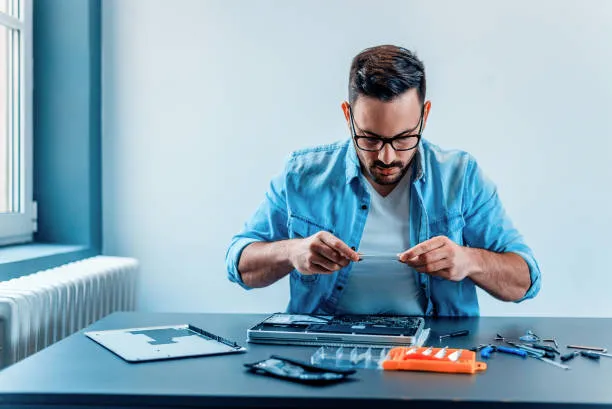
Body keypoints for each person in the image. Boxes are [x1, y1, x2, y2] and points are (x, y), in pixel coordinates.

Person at [225, 44, 541, 316]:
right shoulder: (302, 175)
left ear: (425, 115)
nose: (387, 157)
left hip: (432, 356)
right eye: (370, 139)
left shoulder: (461, 177)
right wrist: (291, 251)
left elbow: (525, 280)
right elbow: (239, 264)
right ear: (348, 116)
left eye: (404, 138)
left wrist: (469, 260)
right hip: (322, 356)